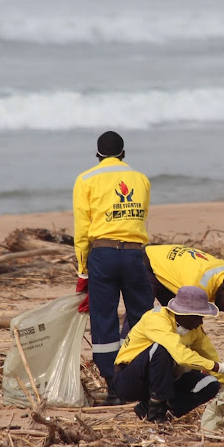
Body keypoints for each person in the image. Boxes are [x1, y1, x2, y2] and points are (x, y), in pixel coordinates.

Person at [73, 130, 155, 405]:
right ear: (123, 154)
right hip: (134, 255)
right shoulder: (141, 179)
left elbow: (82, 230)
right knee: (142, 319)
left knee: (104, 319)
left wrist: (83, 270)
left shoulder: (85, 179)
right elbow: (140, 217)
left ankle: (113, 387)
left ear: (97, 155)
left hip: (103, 255)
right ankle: (142, 380)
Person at [112, 286, 224, 422]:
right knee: (162, 350)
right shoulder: (156, 320)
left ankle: (151, 407)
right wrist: (222, 367)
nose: (200, 322)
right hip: (128, 380)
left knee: (210, 384)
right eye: (197, 317)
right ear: (183, 313)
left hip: (159, 379)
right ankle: (156, 414)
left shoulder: (194, 329)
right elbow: (181, 356)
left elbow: (209, 356)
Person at [144, 244, 224, 312]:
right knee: (140, 313)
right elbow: (191, 320)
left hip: (164, 260)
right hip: (147, 262)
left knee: (174, 318)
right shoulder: (198, 287)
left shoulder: (222, 274)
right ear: (223, 289)